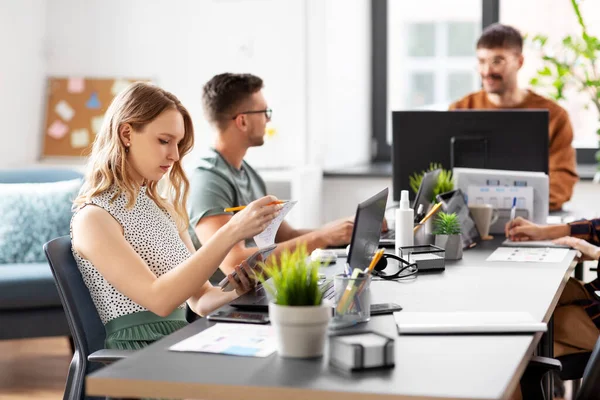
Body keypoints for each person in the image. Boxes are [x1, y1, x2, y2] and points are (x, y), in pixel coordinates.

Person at [70, 82, 281, 350]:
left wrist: (239, 288)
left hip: (181, 341)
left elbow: (201, 300)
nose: (175, 154)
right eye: (164, 141)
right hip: (140, 355)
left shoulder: (164, 209)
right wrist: (232, 231)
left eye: (178, 143)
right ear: (126, 134)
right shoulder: (94, 219)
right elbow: (159, 300)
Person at [187, 73, 355, 279]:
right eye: (264, 112)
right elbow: (234, 262)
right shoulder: (208, 181)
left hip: (257, 291)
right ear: (243, 121)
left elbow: (288, 236)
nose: (268, 119)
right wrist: (322, 237)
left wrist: (342, 231)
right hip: (223, 306)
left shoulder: (248, 173)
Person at [450, 23, 578, 211]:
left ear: (519, 62)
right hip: (470, 218)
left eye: (497, 61)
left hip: (531, 218)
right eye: (482, 61)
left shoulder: (555, 116)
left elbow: (562, 180)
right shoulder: (461, 109)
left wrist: (514, 204)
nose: (486, 71)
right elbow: (444, 176)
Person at [507, 216, 600, 357]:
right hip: (595, 295)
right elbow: (595, 228)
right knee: (531, 292)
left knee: (525, 329)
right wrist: (541, 231)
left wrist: (593, 251)